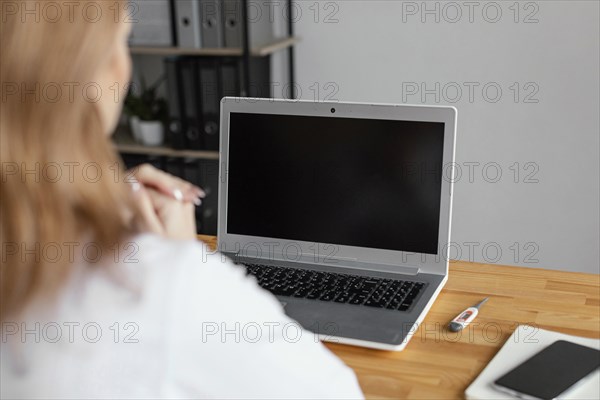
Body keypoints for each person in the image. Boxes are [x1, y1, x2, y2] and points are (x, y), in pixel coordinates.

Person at [0, 1, 364, 398]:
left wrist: (96, 201)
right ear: (101, 72)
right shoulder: (163, 288)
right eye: (122, 41)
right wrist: (176, 258)